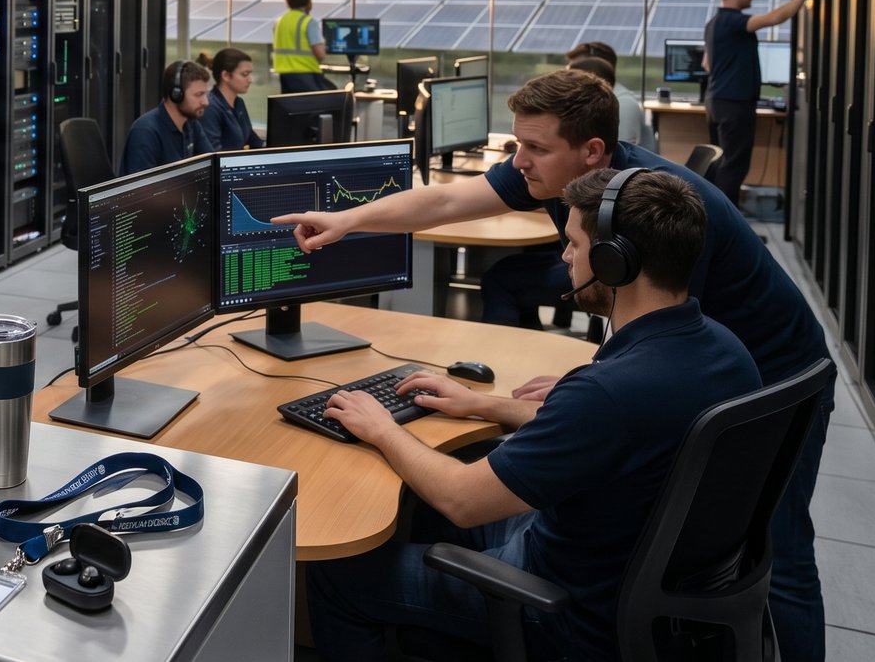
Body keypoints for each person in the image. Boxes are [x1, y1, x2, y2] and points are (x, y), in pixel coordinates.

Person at [272, 68, 833, 656]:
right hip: (705, 378)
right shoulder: (627, 234)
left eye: (535, 148)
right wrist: (349, 220)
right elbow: (444, 200)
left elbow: (622, 402)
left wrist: (385, 426)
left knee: (783, 552)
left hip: (781, 370)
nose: (519, 161)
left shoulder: (655, 215)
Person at [307, 168, 761, 659]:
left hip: (564, 611)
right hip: (634, 582)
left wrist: (382, 428)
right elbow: (617, 433)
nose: (565, 256)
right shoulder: (727, 350)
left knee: (336, 574)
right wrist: (484, 404)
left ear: (614, 262)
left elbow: (462, 500)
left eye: (575, 244)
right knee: (421, 506)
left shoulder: (606, 393)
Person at [703, 0, 813, 203]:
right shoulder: (733, 21)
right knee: (733, 167)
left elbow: (707, 64)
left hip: (716, 102)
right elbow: (775, 17)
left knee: (719, 163)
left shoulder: (713, 23)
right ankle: (728, 219)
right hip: (734, 104)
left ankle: (712, 214)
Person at [120, 59, 213, 175]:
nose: (206, 102)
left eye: (205, 94)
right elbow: (142, 185)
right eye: (199, 95)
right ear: (176, 95)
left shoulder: (191, 125)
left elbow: (212, 165)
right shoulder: (145, 131)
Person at [565, 40, 651, 149]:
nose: (567, 78)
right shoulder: (589, 102)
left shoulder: (624, 104)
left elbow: (619, 154)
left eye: (576, 71)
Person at [196, 47, 263, 151]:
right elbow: (213, 154)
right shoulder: (210, 107)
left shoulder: (239, 103)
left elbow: (253, 139)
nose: (250, 80)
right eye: (245, 74)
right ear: (226, 75)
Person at [271, 0, 331, 93]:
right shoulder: (308, 22)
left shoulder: (279, 22)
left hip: (285, 77)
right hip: (306, 76)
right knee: (333, 96)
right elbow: (320, 54)